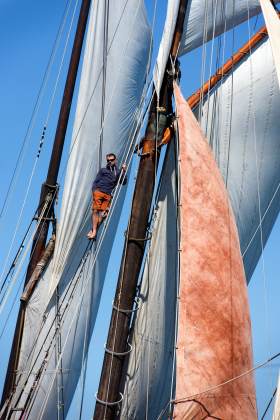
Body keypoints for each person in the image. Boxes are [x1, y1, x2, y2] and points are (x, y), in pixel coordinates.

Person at [87, 153, 127, 240]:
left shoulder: (118, 172)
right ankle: (94, 231)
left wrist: (124, 171)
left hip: (108, 195)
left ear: (115, 160)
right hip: (99, 192)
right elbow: (95, 181)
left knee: (104, 214)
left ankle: (93, 230)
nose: (110, 162)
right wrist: (94, 191)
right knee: (96, 211)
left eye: (111, 160)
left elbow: (123, 182)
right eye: (108, 160)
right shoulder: (103, 170)